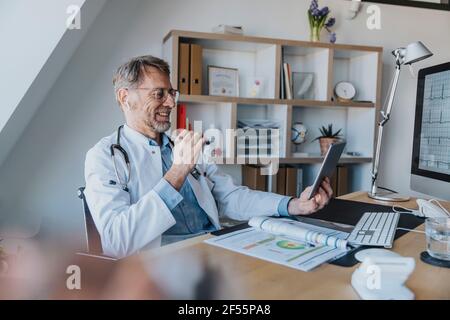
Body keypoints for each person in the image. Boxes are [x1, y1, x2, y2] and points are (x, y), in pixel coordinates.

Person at [84, 55, 333, 258]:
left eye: (172, 93)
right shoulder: (104, 156)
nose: (171, 103)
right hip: (161, 265)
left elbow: (231, 198)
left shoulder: (183, 144)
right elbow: (116, 242)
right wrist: (178, 171)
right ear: (125, 97)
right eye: (159, 94)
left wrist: (292, 205)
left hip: (213, 249)